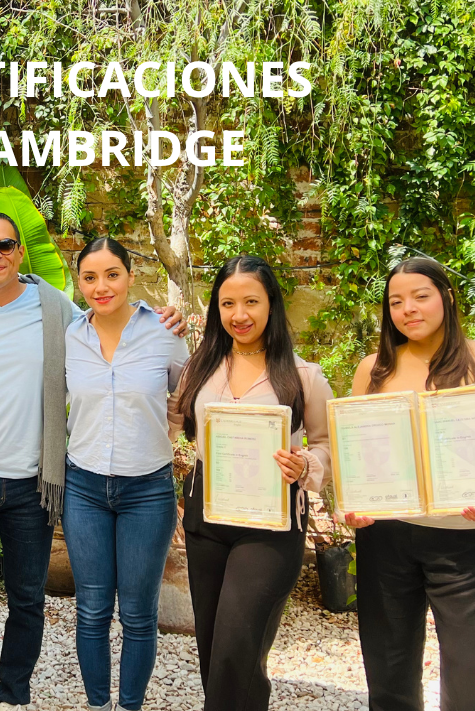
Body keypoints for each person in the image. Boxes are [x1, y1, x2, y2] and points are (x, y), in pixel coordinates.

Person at [0, 213, 185, 711]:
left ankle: (13, 695)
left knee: (27, 600)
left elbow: (123, 334)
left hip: (34, 481)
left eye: (5, 244)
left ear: (20, 252)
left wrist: (167, 319)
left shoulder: (59, 312)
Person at [339, 256, 475, 711]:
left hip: (464, 537)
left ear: (446, 297)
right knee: (388, 671)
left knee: (467, 670)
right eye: (396, 302)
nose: (409, 309)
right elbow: (360, 451)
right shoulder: (374, 368)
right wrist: (352, 502)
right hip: (384, 536)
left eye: (421, 297)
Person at [173, 255, 333, 711]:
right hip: (207, 514)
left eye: (250, 302)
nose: (238, 315)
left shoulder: (304, 376)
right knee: (213, 651)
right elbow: (174, 422)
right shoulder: (199, 368)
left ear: (271, 304)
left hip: (271, 523)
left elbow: (326, 445)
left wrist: (305, 465)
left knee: (235, 649)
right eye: (227, 304)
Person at [61, 237, 188, 711]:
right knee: (91, 609)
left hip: (147, 491)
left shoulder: (164, 331)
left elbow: (188, 395)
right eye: (90, 277)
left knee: (138, 614)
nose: (101, 286)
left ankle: (130, 704)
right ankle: (98, 704)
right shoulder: (70, 336)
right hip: (85, 487)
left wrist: (170, 431)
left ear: (130, 275)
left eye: (112, 274)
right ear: (79, 282)